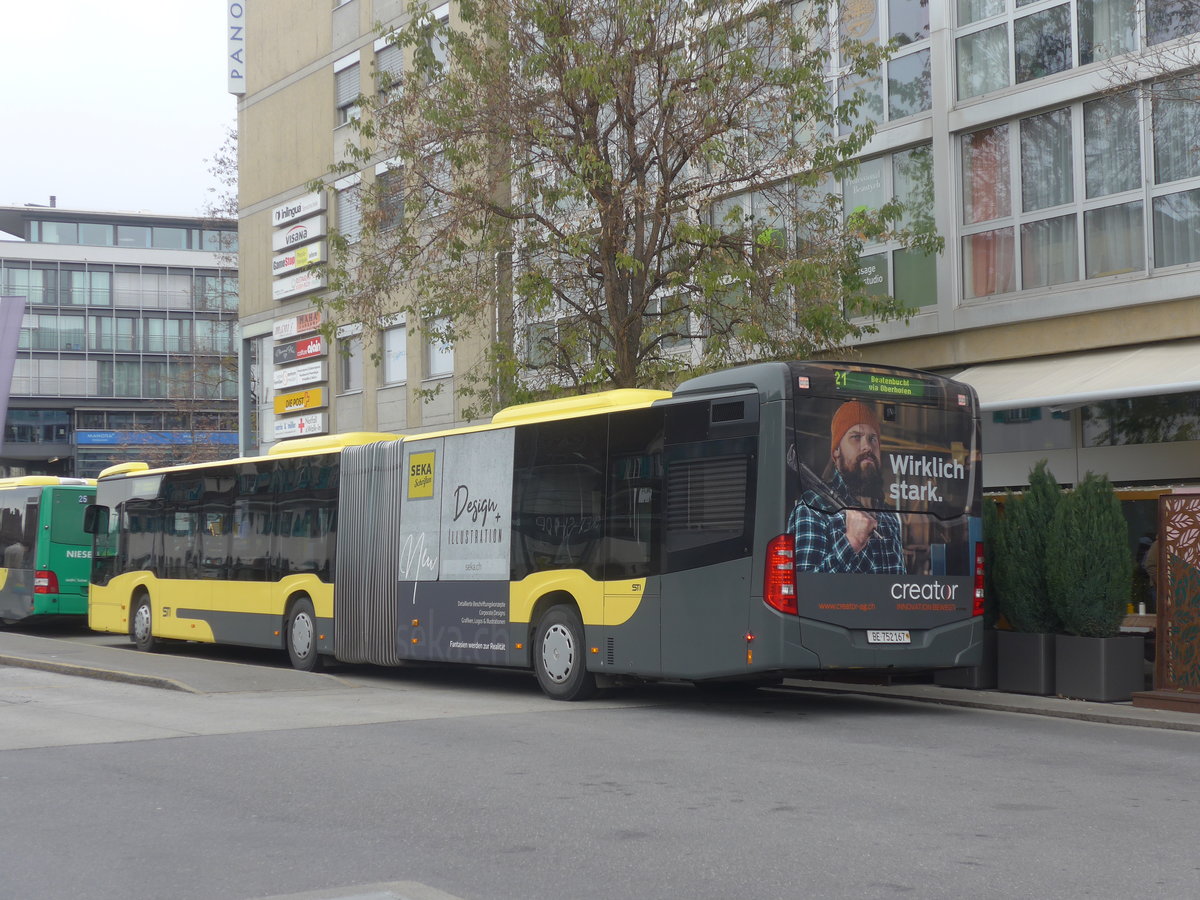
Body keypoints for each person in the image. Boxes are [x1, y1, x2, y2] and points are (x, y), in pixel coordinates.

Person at [789, 399, 905, 573]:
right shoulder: (813, 509)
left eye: (873, 439)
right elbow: (806, 585)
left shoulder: (890, 517)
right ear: (836, 451)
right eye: (856, 437)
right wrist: (852, 542)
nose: (867, 446)